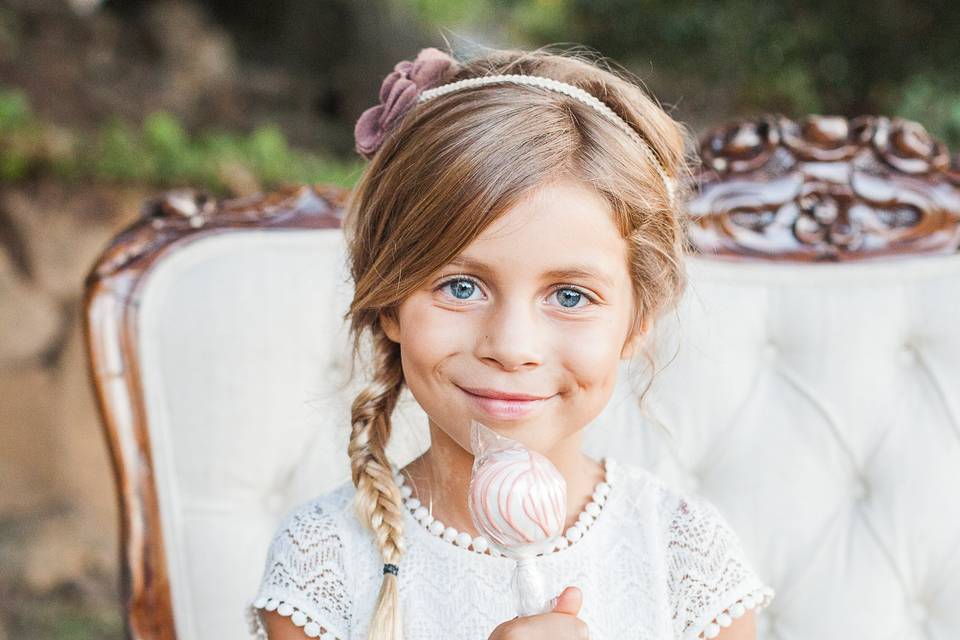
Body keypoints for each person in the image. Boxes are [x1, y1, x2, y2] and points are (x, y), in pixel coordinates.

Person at [246, 44, 776, 640]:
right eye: (462, 286)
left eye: (570, 296)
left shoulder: (686, 558)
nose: (512, 346)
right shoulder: (324, 561)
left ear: (637, 320)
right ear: (389, 300)